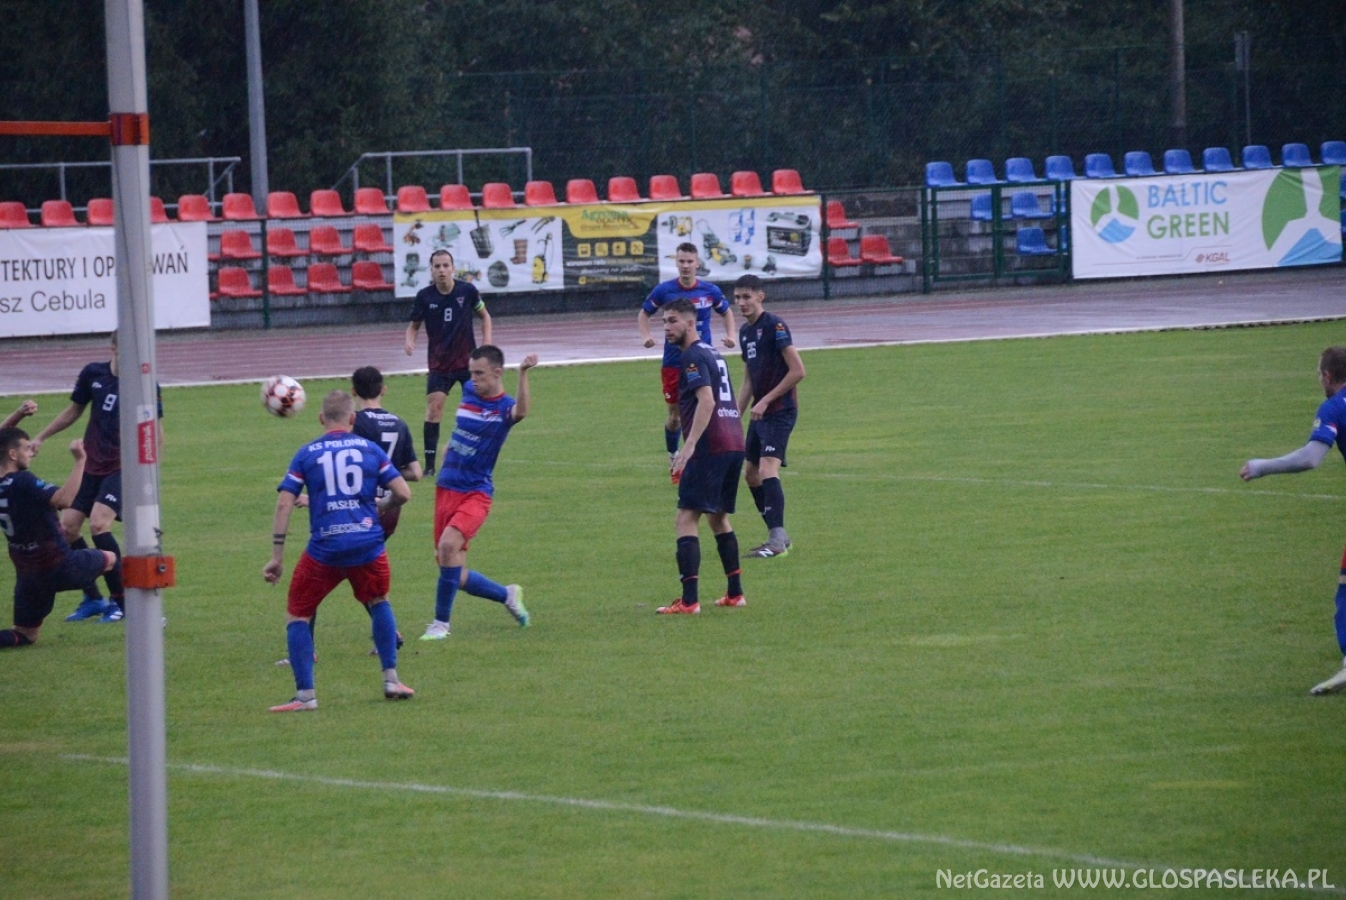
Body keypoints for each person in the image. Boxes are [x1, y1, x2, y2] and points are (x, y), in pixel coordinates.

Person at [264, 390, 414, 711]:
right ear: (352, 419)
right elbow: (403, 492)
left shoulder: (307, 453)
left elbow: (285, 503)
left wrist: (277, 556)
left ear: (321, 419)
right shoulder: (369, 449)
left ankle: (306, 696)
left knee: (298, 613)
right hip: (367, 544)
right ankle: (391, 679)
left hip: (326, 549)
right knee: (378, 601)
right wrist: (381, 505)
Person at [29, 332, 162, 624]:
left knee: (99, 524)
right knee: (67, 529)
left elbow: (156, 431)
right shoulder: (93, 374)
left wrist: (150, 475)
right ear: (113, 347)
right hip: (90, 466)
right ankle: (93, 597)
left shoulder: (145, 384)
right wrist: (41, 437)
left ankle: (122, 601)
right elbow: (74, 410)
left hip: (123, 468)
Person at [1241, 346, 1346, 696]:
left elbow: (1311, 458)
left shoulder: (1334, 407)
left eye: (1318, 375)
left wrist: (1261, 466)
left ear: (1328, 376)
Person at [420, 345, 535, 640]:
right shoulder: (470, 391)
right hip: (446, 487)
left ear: (497, 373)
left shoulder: (504, 408)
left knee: (448, 546)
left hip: (475, 492)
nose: (473, 379)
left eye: (479, 373)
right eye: (471, 373)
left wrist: (523, 373)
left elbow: (521, 411)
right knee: (453, 572)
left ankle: (440, 624)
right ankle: (507, 595)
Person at [657, 299, 747, 615]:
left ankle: (689, 601)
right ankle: (735, 593)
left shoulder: (692, 356)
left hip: (711, 445)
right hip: (734, 441)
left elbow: (706, 401)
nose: (667, 328)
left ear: (690, 323)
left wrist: (690, 445)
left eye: (672, 321)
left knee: (686, 517)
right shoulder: (713, 353)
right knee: (718, 517)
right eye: (664, 322)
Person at [0, 428, 117, 648]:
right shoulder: (22, 481)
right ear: (12, 454)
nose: (31, 453)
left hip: (28, 574)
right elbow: (63, 500)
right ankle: (122, 607)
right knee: (112, 559)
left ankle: (94, 599)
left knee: (25, 635)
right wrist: (80, 461)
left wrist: (18, 414)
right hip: (59, 565)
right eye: (26, 449)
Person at [637, 242, 735, 465]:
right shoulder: (664, 290)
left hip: (703, 360)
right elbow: (644, 314)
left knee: (708, 406)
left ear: (697, 263)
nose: (686, 266)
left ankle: (706, 455)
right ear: (676, 263)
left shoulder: (710, 290)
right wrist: (646, 336)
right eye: (681, 261)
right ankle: (674, 456)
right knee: (676, 416)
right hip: (674, 362)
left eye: (690, 261)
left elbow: (726, 312)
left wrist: (731, 335)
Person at [734, 274, 806, 558]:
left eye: (746, 297)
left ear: (760, 297)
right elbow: (748, 381)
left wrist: (765, 400)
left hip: (780, 411)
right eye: (737, 298)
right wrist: (733, 417)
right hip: (760, 413)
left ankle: (776, 542)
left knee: (766, 469)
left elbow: (798, 371)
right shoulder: (745, 332)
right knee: (751, 474)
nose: (741, 302)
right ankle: (778, 535)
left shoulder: (775, 326)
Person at [405, 249, 492, 477]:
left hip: (467, 365)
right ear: (431, 271)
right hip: (439, 365)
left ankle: (477, 459)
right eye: (437, 266)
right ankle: (430, 466)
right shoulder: (424, 297)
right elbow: (413, 326)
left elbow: (485, 316)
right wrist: (409, 341)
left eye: (445, 265)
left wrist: (486, 344)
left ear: (453, 268)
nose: (442, 270)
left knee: (476, 411)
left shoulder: (467, 291)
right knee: (434, 410)